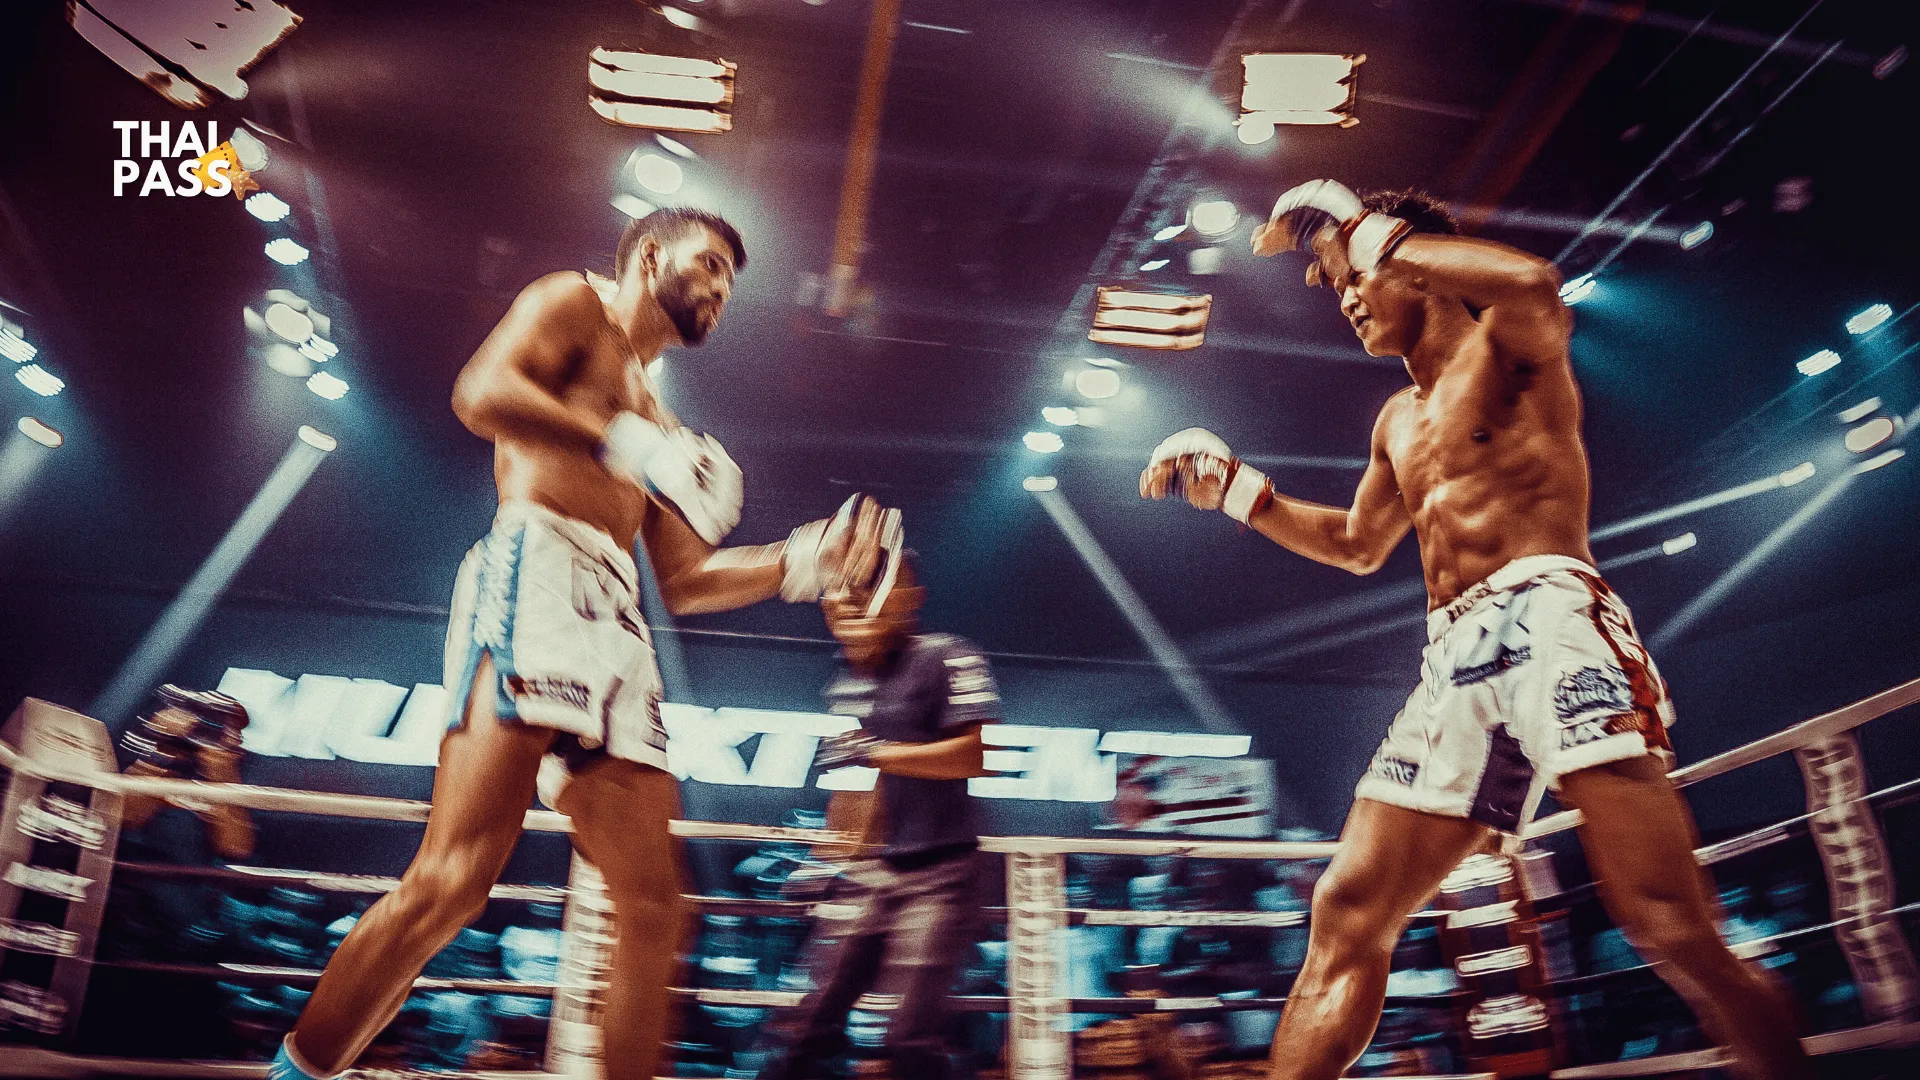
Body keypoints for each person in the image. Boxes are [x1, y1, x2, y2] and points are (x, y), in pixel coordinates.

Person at [1139, 181, 1811, 1080]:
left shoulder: (1508, 345)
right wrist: (1236, 491)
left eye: (1352, 278)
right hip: (1454, 654)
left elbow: (1534, 283)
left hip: (1553, 617)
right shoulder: (1397, 420)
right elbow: (1354, 544)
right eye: (1337, 283)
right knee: (1347, 909)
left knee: (1667, 923)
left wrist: (1364, 229)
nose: (1344, 298)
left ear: (1407, 268)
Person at [269, 207, 890, 1080]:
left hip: (618, 618)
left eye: (730, 281)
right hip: (535, 570)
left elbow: (686, 577)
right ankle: (293, 1073)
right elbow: (480, 392)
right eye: (709, 263)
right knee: (453, 881)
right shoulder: (573, 303)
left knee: (655, 906)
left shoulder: (667, 421)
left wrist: (800, 560)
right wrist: (622, 441)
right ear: (648, 254)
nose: (719, 288)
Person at [753, 553, 994, 1080]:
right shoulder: (847, 678)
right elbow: (856, 787)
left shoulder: (949, 655)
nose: (850, 613)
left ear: (908, 599)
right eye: (840, 605)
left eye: (865, 598)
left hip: (943, 874)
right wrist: (826, 861)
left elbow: (972, 755)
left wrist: (874, 752)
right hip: (870, 872)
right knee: (802, 1025)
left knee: (907, 1037)